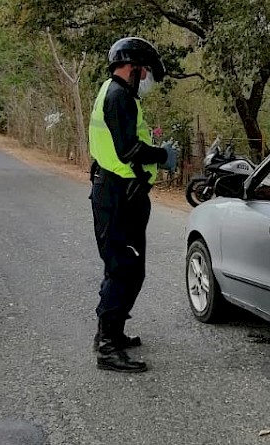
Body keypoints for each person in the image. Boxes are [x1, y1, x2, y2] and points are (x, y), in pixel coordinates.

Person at [88, 37, 177, 373]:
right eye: (148, 71)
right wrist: (162, 156)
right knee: (123, 270)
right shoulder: (117, 96)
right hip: (116, 194)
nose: (149, 78)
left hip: (121, 191)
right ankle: (108, 348)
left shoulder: (115, 93)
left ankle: (111, 334)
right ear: (135, 68)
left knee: (127, 269)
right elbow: (128, 150)